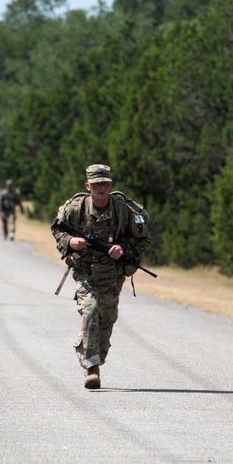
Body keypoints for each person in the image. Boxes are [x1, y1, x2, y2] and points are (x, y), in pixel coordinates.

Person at [51, 163, 151, 389]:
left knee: (106, 320)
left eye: (105, 183)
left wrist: (123, 248)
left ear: (111, 185)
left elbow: (143, 239)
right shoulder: (74, 208)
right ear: (88, 186)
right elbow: (57, 229)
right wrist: (70, 242)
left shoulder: (124, 210)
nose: (101, 188)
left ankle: (97, 356)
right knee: (90, 309)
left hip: (112, 274)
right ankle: (90, 368)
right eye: (96, 184)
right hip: (85, 270)